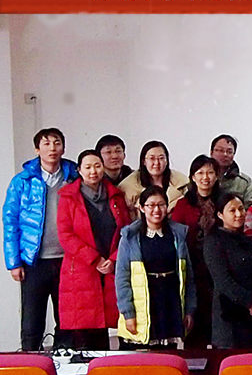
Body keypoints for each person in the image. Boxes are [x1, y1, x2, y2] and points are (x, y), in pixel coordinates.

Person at [3, 127, 78, 350]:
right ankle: (30, 364)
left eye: (57, 143)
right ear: (37, 149)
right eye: (46, 143)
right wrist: (14, 262)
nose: (52, 148)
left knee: (67, 320)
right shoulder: (22, 181)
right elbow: (10, 221)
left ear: (63, 148)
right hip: (33, 261)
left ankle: (65, 362)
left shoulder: (74, 177)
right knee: (31, 321)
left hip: (68, 260)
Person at [57, 149, 131, 350]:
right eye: (88, 167)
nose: (93, 171)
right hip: (82, 269)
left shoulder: (116, 196)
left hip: (112, 268)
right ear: (79, 170)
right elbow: (65, 235)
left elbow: (126, 231)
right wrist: (95, 260)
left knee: (116, 327)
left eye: (97, 166)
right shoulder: (68, 197)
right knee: (86, 333)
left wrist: (114, 259)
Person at [115, 186, 196, 349]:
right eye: (151, 205)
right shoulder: (130, 237)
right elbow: (122, 278)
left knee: (168, 354)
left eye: (161, 205)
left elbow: (188, 276)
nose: (156, 210)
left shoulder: (178, 234)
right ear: (141, 208)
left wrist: (189, 310)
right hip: (144, 300)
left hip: (170, 299)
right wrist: (128, 313)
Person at [204, 193, 252, 348]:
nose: (239, 214)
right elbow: (223, 281)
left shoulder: (248, 241)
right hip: (228, 316)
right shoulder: (214, 241)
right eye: (232, 210)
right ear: (220, 215)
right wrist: (249, 302)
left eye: (241, 209)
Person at [171, 155, 220, 349]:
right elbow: (176, 236)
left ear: (217, 176)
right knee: (195, 323)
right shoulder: (183, 204)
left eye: (210, 172)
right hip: (193, 266)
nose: (205, 177)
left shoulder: (224, 201)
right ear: (192, 177)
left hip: (219, 267)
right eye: (200, 173)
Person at [118, 140, 190, 218]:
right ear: (144, 161)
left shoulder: (183, 184)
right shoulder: (127, 188)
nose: (156, 163)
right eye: (152, 158)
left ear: (166, 161)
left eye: (161, 158)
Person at [210, 134, 252, 209]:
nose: (225, 154)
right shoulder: (201, 178)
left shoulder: (244, 182)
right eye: (221, 150)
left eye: (229, 151)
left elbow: (249, 209)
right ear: (211, 153)